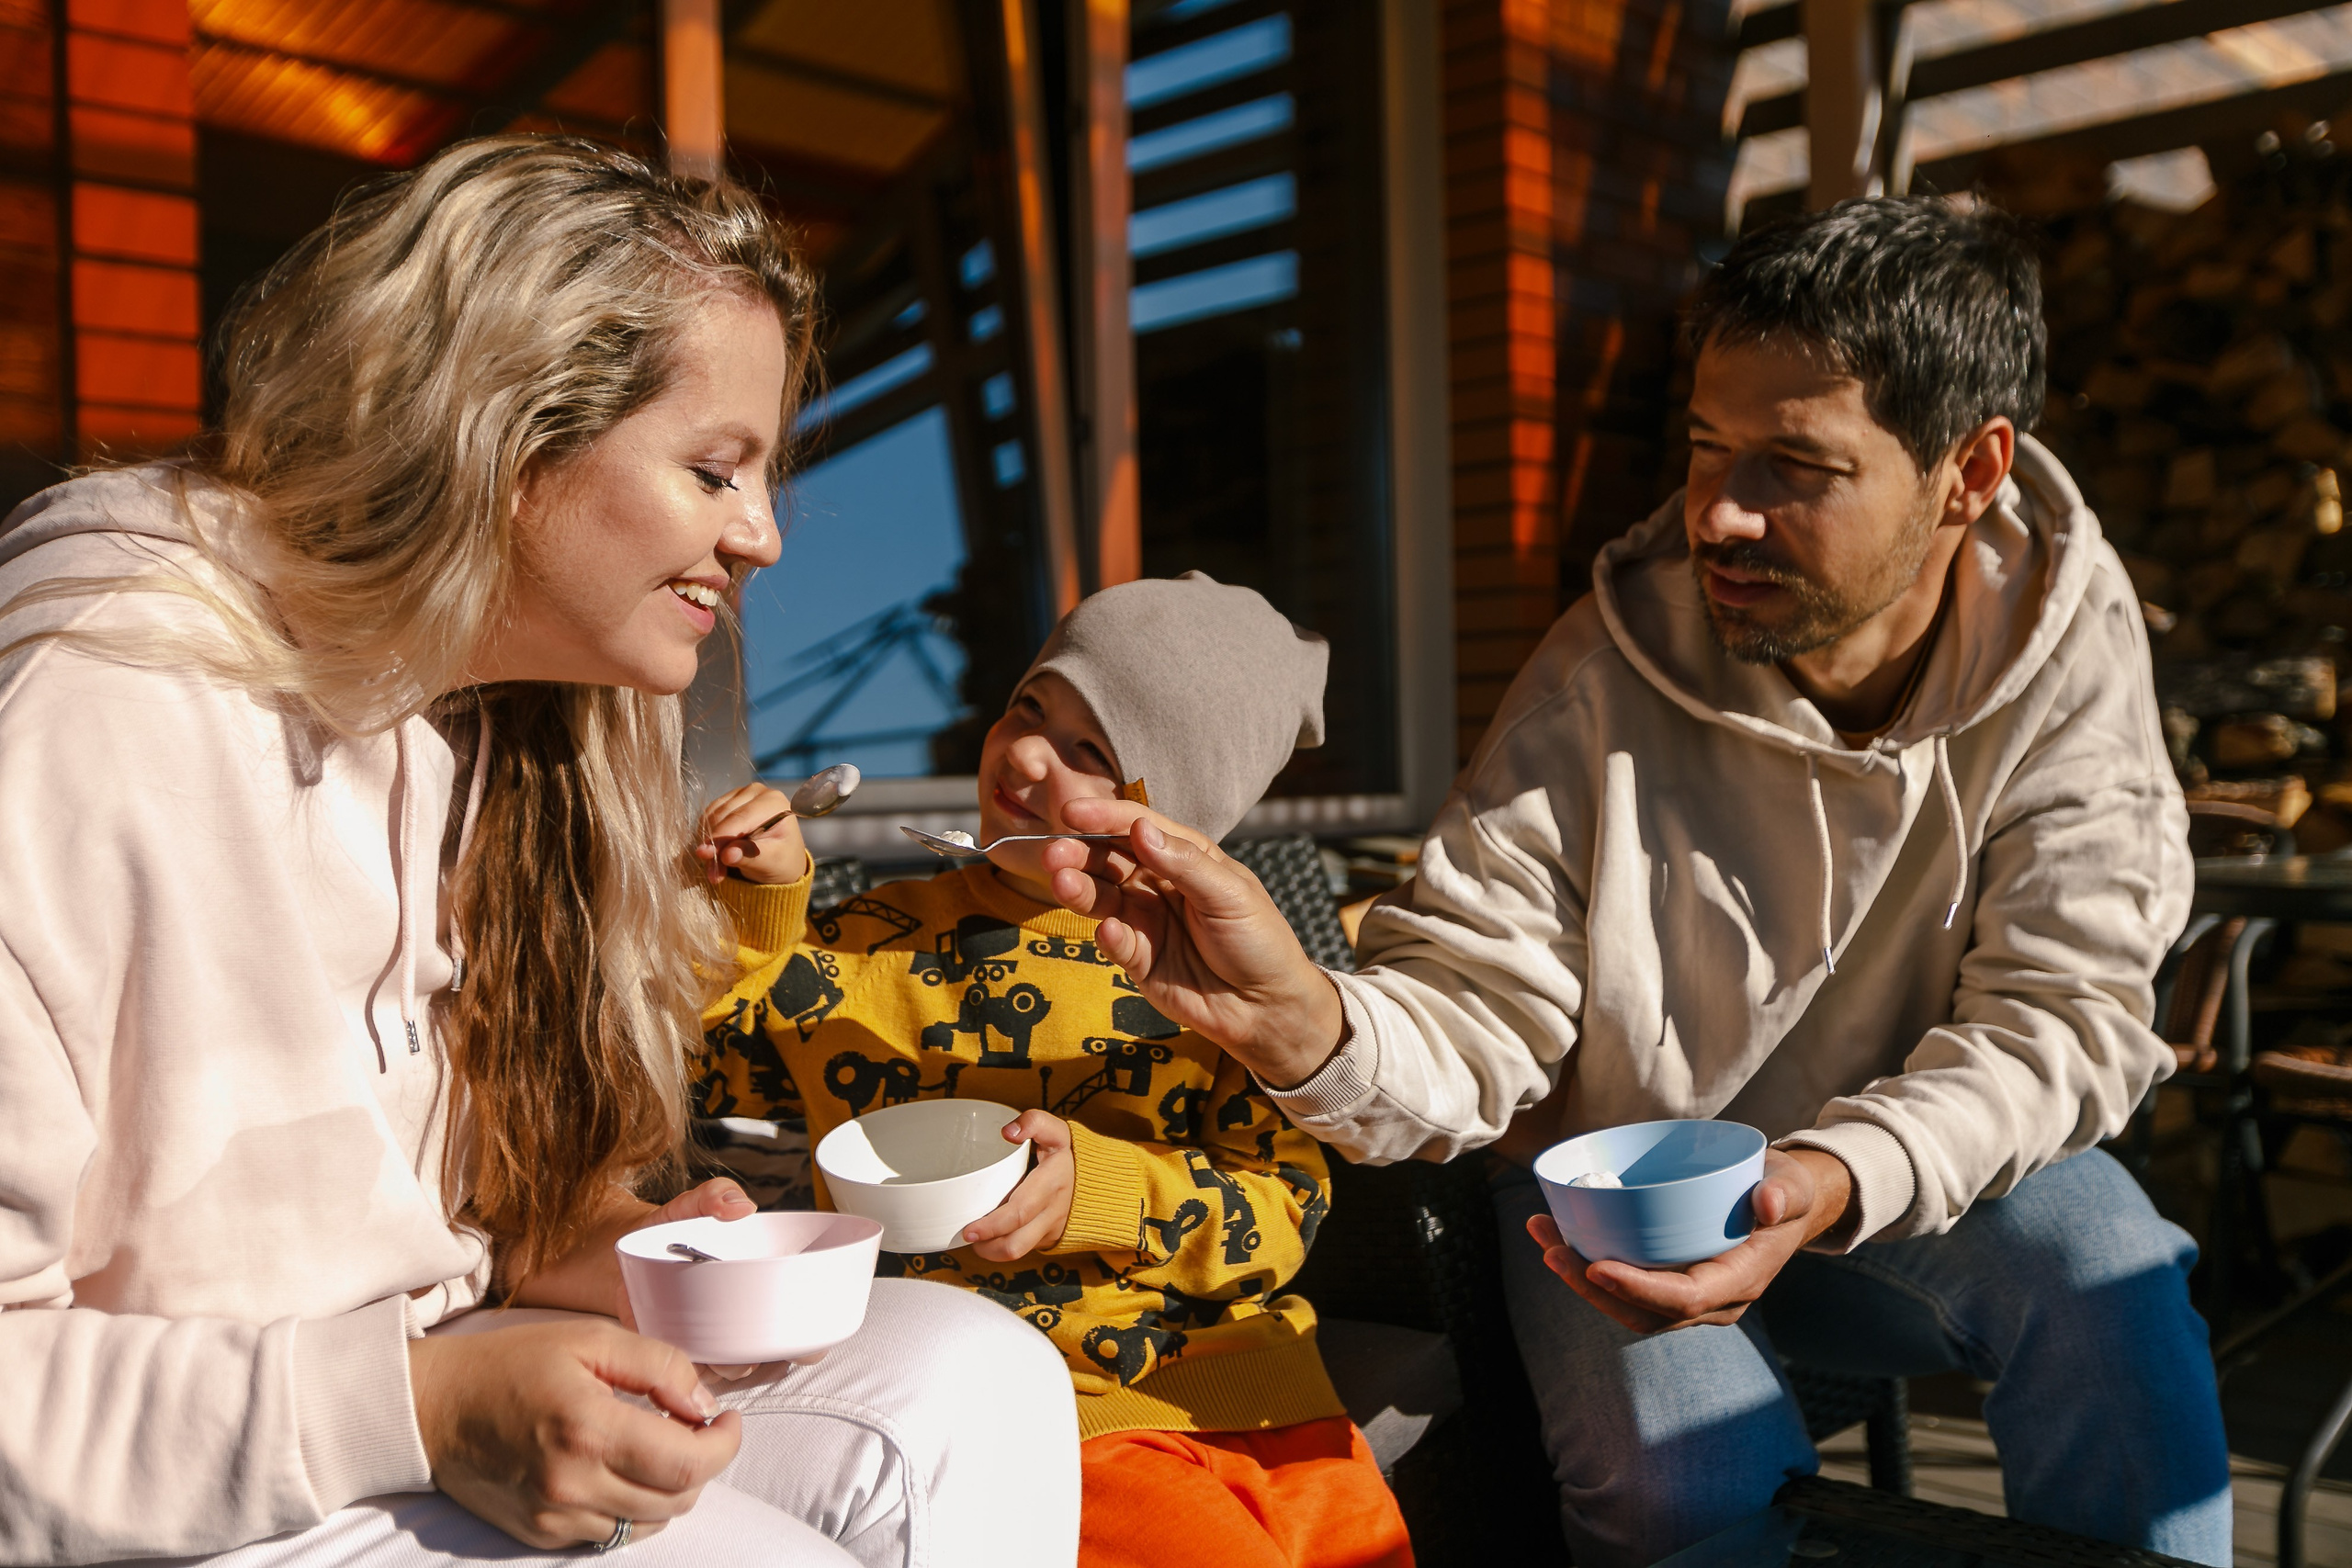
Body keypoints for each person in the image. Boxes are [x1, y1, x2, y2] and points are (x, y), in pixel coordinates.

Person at [1035, 197, 2233, 1566]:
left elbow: (2067, 1012)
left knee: (2109, 1271)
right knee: (1684, 1476)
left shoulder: (2065, 644)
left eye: (1796, 465)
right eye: (1709, 447)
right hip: (1612, 1188)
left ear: (1969, 472)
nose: (1718, 510)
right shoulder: (1599, 677)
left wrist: (1837, 1171)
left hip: (1893, 1175)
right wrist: (1312, 1022)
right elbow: (1477, 993)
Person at [0, 136, 1077, 1567]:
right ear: (504, 431)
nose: (762, 536)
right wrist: (419, 1404)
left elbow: (422, 1218)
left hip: (409, 1379)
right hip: (171, 1474)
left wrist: (612, 1251)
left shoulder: (493, 728)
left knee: (977, 1380)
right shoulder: (91, 704)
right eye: (715, 468)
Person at [694, 572, 1414, 1568]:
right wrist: (758, 910)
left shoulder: (1223, 977)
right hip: (1047, 1411)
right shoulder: (865, 945)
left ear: (1165, 819)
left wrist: (1102, 1191)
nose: (1027, 755)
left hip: (1271, 1403)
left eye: (1091, 753)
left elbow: (1284, 1211)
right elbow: (709, 1074)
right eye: (1029, 707)